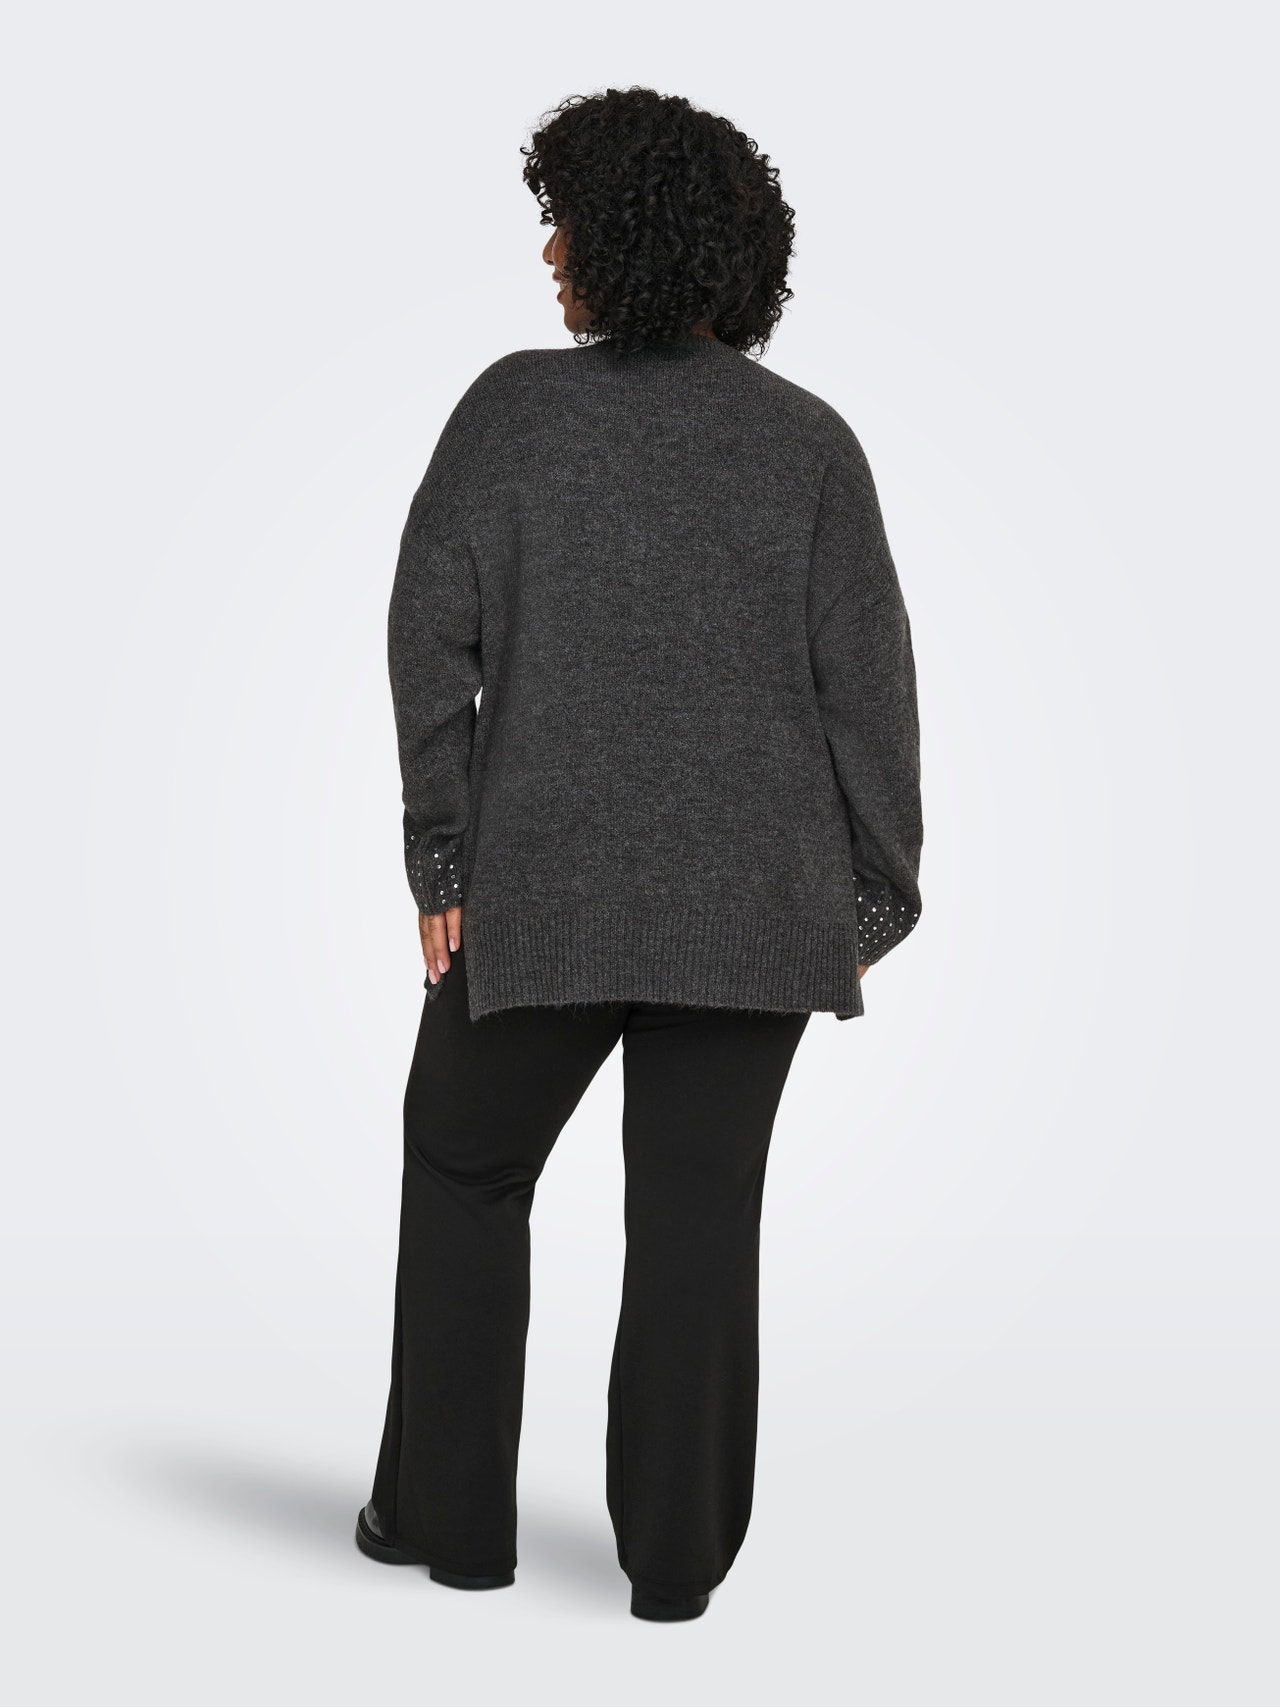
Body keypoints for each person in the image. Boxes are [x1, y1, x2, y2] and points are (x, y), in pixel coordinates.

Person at [354, 85, 925, 1623]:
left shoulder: (513, 411)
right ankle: (675, 1572)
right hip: (757, 913)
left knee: (466, 1168)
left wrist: (445, 860)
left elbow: (427, 638)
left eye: (565, 222)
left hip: (541, 897)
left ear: (628, 235)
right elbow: (870, 690)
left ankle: (450, 1528)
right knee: (695, 1227)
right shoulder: (809, 444)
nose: (549, 251)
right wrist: (866, 897)